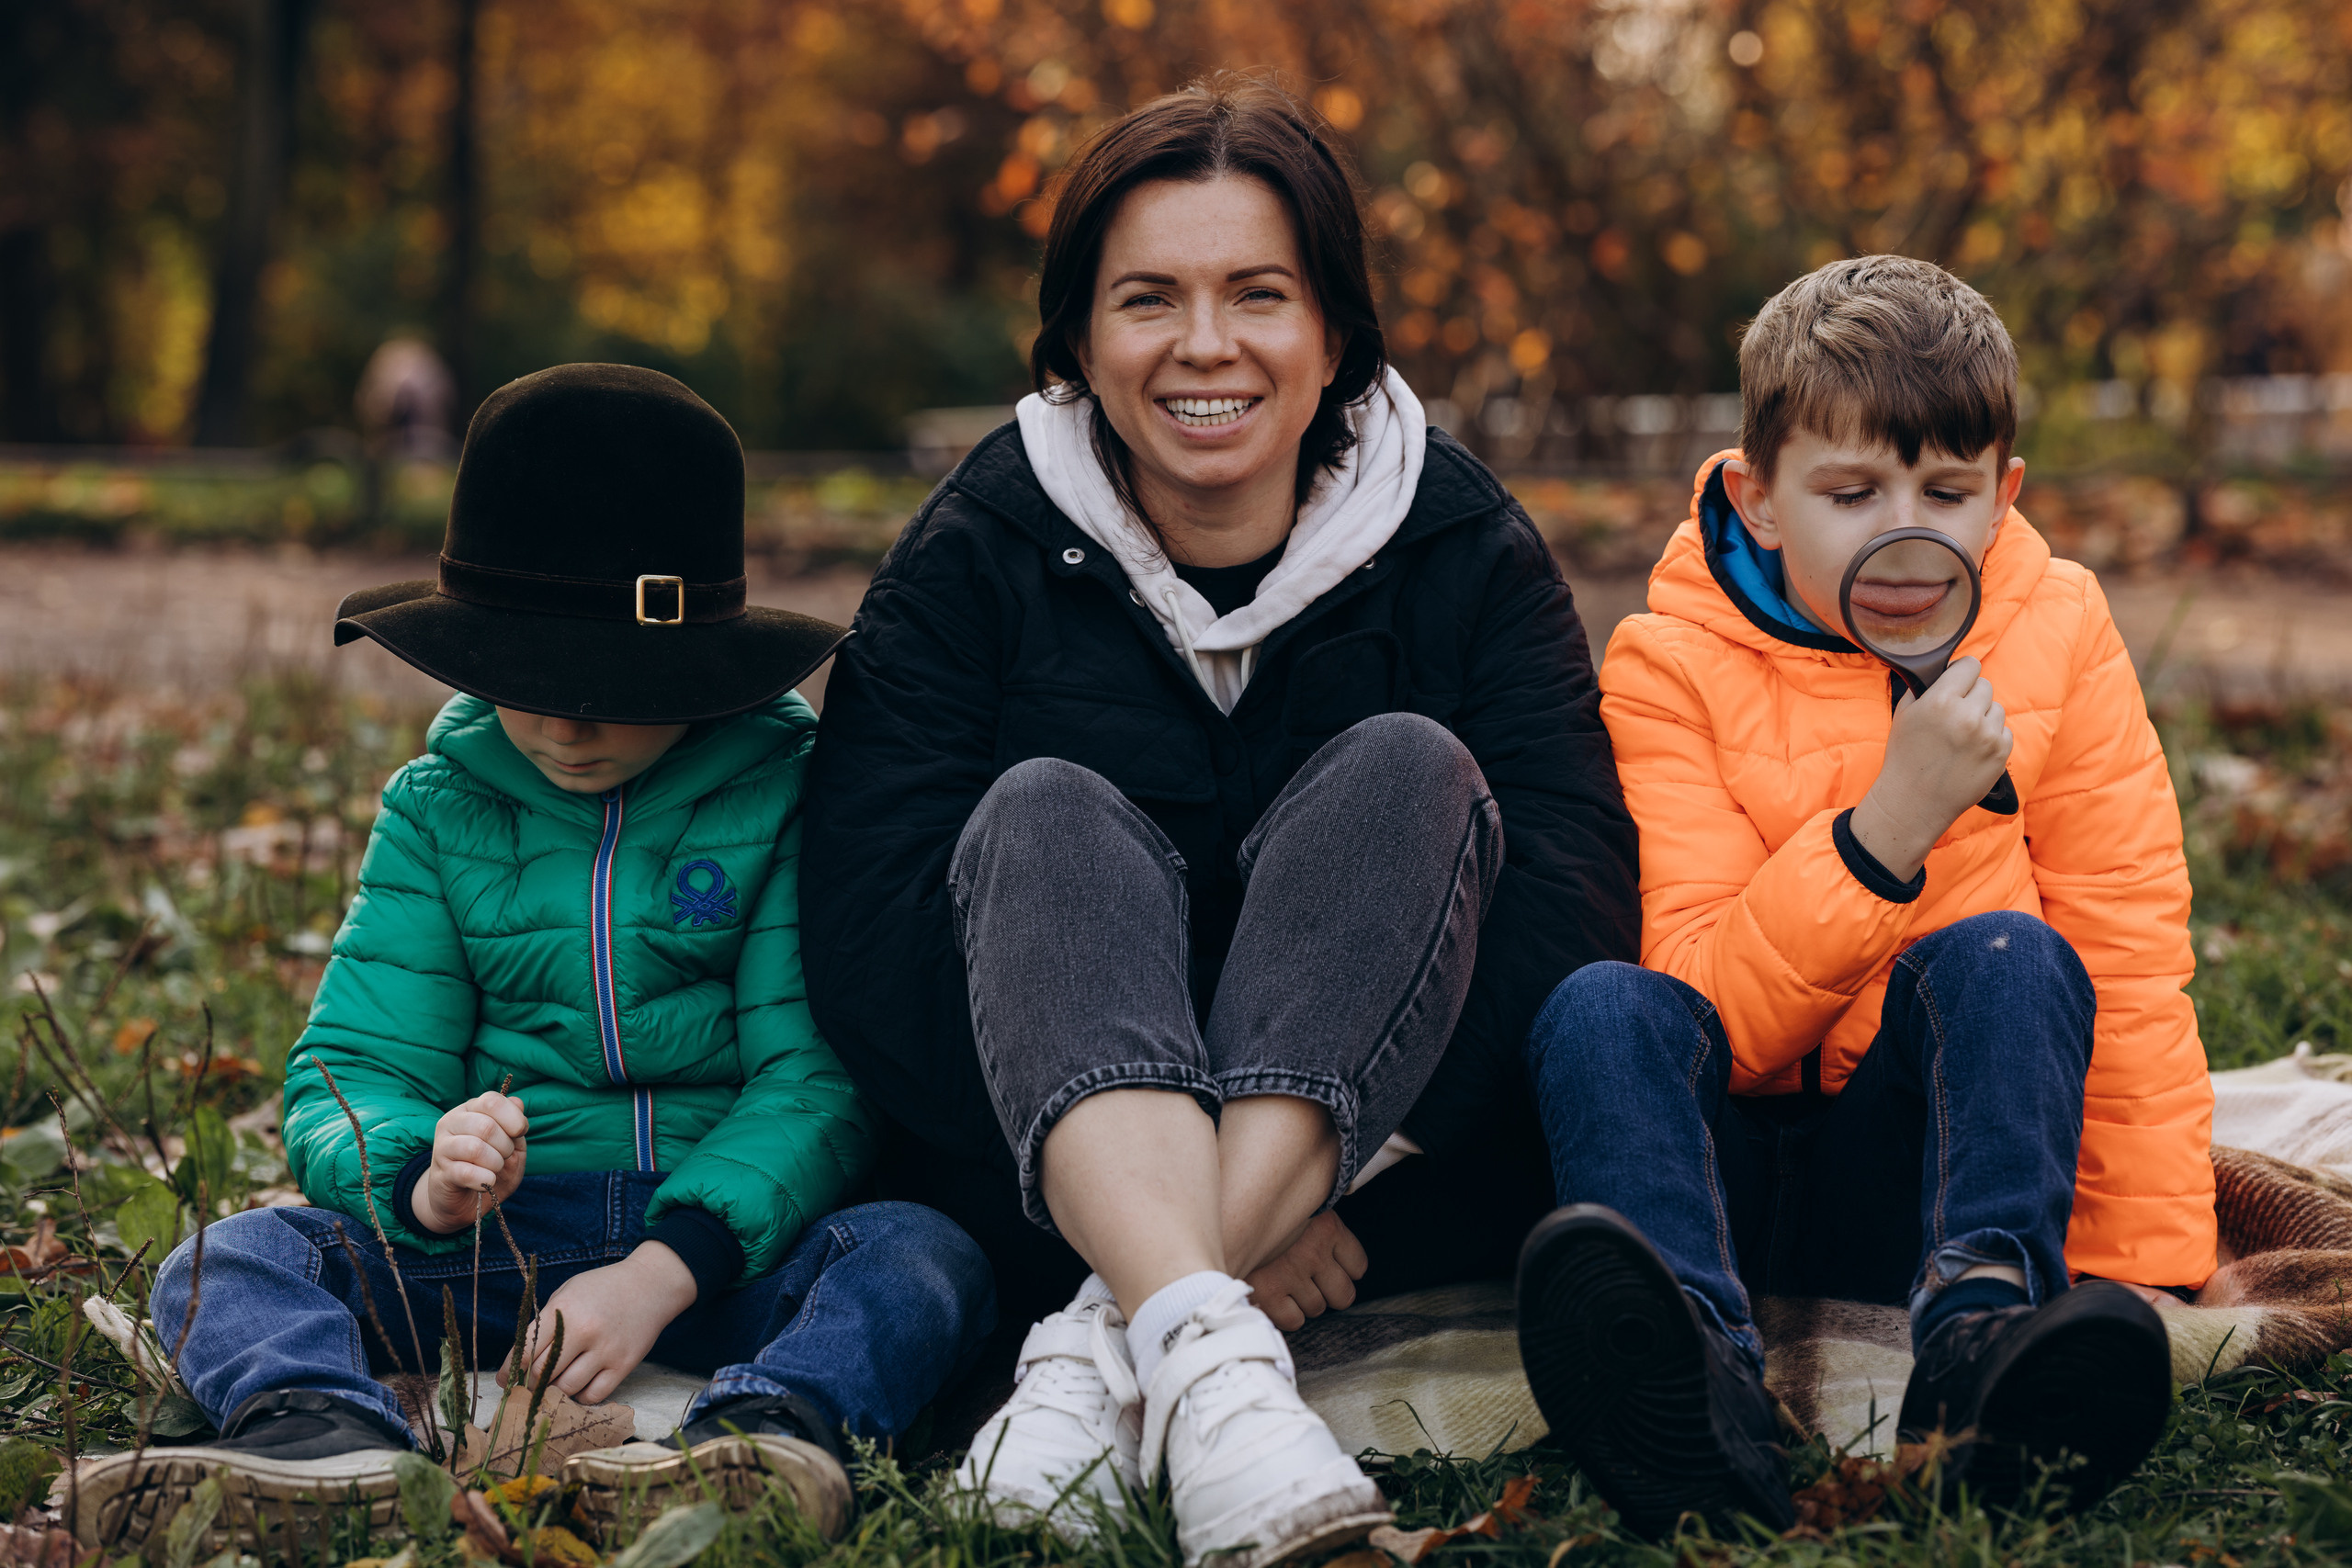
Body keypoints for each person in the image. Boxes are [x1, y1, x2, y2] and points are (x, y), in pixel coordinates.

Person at [802, 78, 1638, 1568]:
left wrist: (1324, 1179)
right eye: (1149, 299)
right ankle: (1208, 1350)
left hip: (1383, 1198)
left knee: (1411, 771)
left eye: (1259, 294)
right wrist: (1145, 1203)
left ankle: (1104, 1351)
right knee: (1042, 811)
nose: (1206, 345)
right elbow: (872, 932)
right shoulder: (974, 553)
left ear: (1336, 336)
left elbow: (1567, 902)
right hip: (1032, 1190)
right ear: (1078, 343)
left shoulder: (1463, 549)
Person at [73, 365, 995, 1559]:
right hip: (489, 1246)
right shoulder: (437, 808)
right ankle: (322, 1437)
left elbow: (815, 1081)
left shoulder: (787, 796)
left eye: (612, 689)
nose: (565, 724)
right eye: (527, 681)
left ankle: (769, 1435)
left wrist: (664, 1271)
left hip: (726, 1251)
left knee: (923, 1254)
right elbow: (354, 1062)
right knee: (227, 1259)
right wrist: (424, 1174)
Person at [1514, 256, 2209, 1537]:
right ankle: (1687, 1367)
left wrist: (2140, 1260)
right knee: (1603, 1008)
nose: (1907, 534)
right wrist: (1888, 829)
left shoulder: (2061, 627)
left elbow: (2126, 935)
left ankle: (1983, 1341)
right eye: (1850, 494)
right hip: (1720, 1170)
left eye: (1946, 493)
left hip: (1918, 1173)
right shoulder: (1666, 664)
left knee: (2017, 957)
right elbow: (1705, 999)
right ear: (1759, 499)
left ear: (2003, 498)